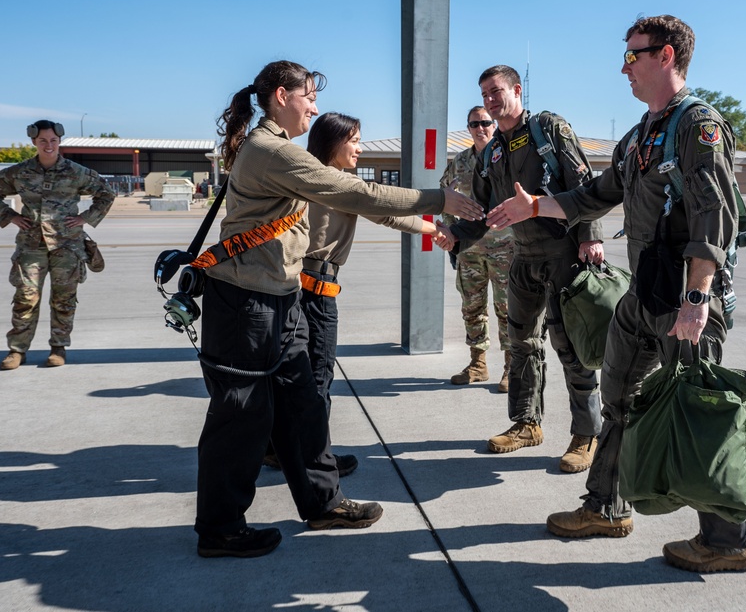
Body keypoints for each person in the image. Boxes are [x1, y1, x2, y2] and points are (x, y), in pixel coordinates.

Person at [486, 15, 746, 572]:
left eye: (633, 56)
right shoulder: (642, 134)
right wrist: (535, 206)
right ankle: (606, 507)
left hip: (686, 300)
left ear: (666, 56)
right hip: (645, 296)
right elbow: (593, 195)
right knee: (619, 398)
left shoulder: (698, 126)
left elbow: (715, 215)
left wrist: (697, 299)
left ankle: (729, 540)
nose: (623, 67)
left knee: (699, 413)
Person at [194, 60, 482, 559]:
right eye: (309, 96)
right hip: (246, 303)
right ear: (282, 95)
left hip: (280, 299)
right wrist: (439, 199)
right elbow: (356, 191)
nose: (314, 106)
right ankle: (220, 528)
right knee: (240, 417)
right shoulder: (269, 150)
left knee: (304, 405)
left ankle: (323, 503)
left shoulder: (274, 148)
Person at [436, 65, 605, 474]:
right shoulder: (493, 151)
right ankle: (527, 423)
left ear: (516, 90)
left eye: (497, 92)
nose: (491, 101)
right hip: (522, 257)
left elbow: (585, 183)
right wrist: (457, 235)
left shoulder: (548, 129)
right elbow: (481, 211)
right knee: (522, 342)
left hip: (563, 252)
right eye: (484, 94)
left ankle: (587, 434)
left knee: (571, 347)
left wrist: (590, 236)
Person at [262, 111, 447, 477]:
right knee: (317, 377)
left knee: (294, 375)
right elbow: (381, 205)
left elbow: (385, 215)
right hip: (314, 294)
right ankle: (314, 460)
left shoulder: (317, 177)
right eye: (355, 140)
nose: (360, 149)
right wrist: (437, 217)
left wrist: (432, 229)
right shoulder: (331, 181)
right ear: (334, 142)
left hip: (301, 289)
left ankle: (279, 450)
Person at [0, 120, 114, 370]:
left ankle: (58, 347)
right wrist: (10, 216)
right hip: (31, 244)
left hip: (68, 245)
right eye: (43, 140)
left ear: (59, 141)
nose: (49, 145)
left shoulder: (76, 172)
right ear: (34, 142)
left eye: (53, 140)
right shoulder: (20, 172)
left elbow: (106, 193)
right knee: (25, 296)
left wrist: (85, 217)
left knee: (64, 299)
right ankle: (17, 350)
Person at [439, 106, 513, 392]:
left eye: (485, 122)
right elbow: (443, 196)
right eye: (474, 124)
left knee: (507, 308)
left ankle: (510, 368)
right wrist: (451, 235)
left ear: (494, 125)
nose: (480, 128)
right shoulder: (459, 162)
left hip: (505, 247)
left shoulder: (506, 157)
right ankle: (478, 365)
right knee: (472, 307)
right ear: (468, 128)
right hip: (470, 250)